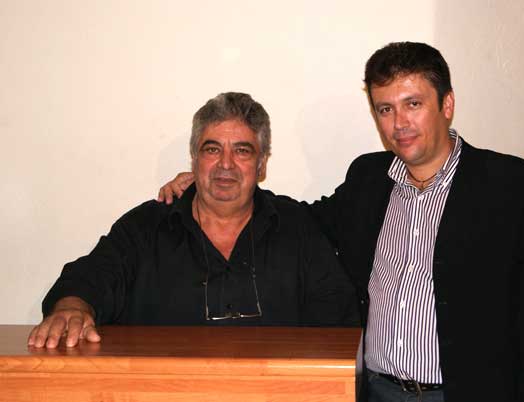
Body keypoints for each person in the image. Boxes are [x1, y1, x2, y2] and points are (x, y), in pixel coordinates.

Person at [157, 43, 524, 402]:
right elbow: (299, 218)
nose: (399, 123)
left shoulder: (514, 187)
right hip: (375, 391)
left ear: (447, 105)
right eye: (385, 109)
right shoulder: (368, 179)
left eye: (413, 104)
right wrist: (216, 185)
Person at [28, 92, 358, 350]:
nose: (225, 164)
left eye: (242, 151)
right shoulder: (146, 227)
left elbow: (339, 326)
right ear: (194, 158)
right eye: (212, 150)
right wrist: (72, 308)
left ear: (261, 165)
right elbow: (91, 277)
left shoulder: (298, 227)